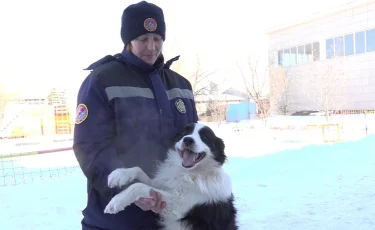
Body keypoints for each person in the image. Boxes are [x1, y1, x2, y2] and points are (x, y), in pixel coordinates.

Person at [72, 1, 199, 229]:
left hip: (171, 214)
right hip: (117, 219)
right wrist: (129, 191)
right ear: (128, 40)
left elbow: (194, 143)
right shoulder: (102, 80)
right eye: (143, 39)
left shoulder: (181, 86)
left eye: (157, 39)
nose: (151, 47)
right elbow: (90, 147)